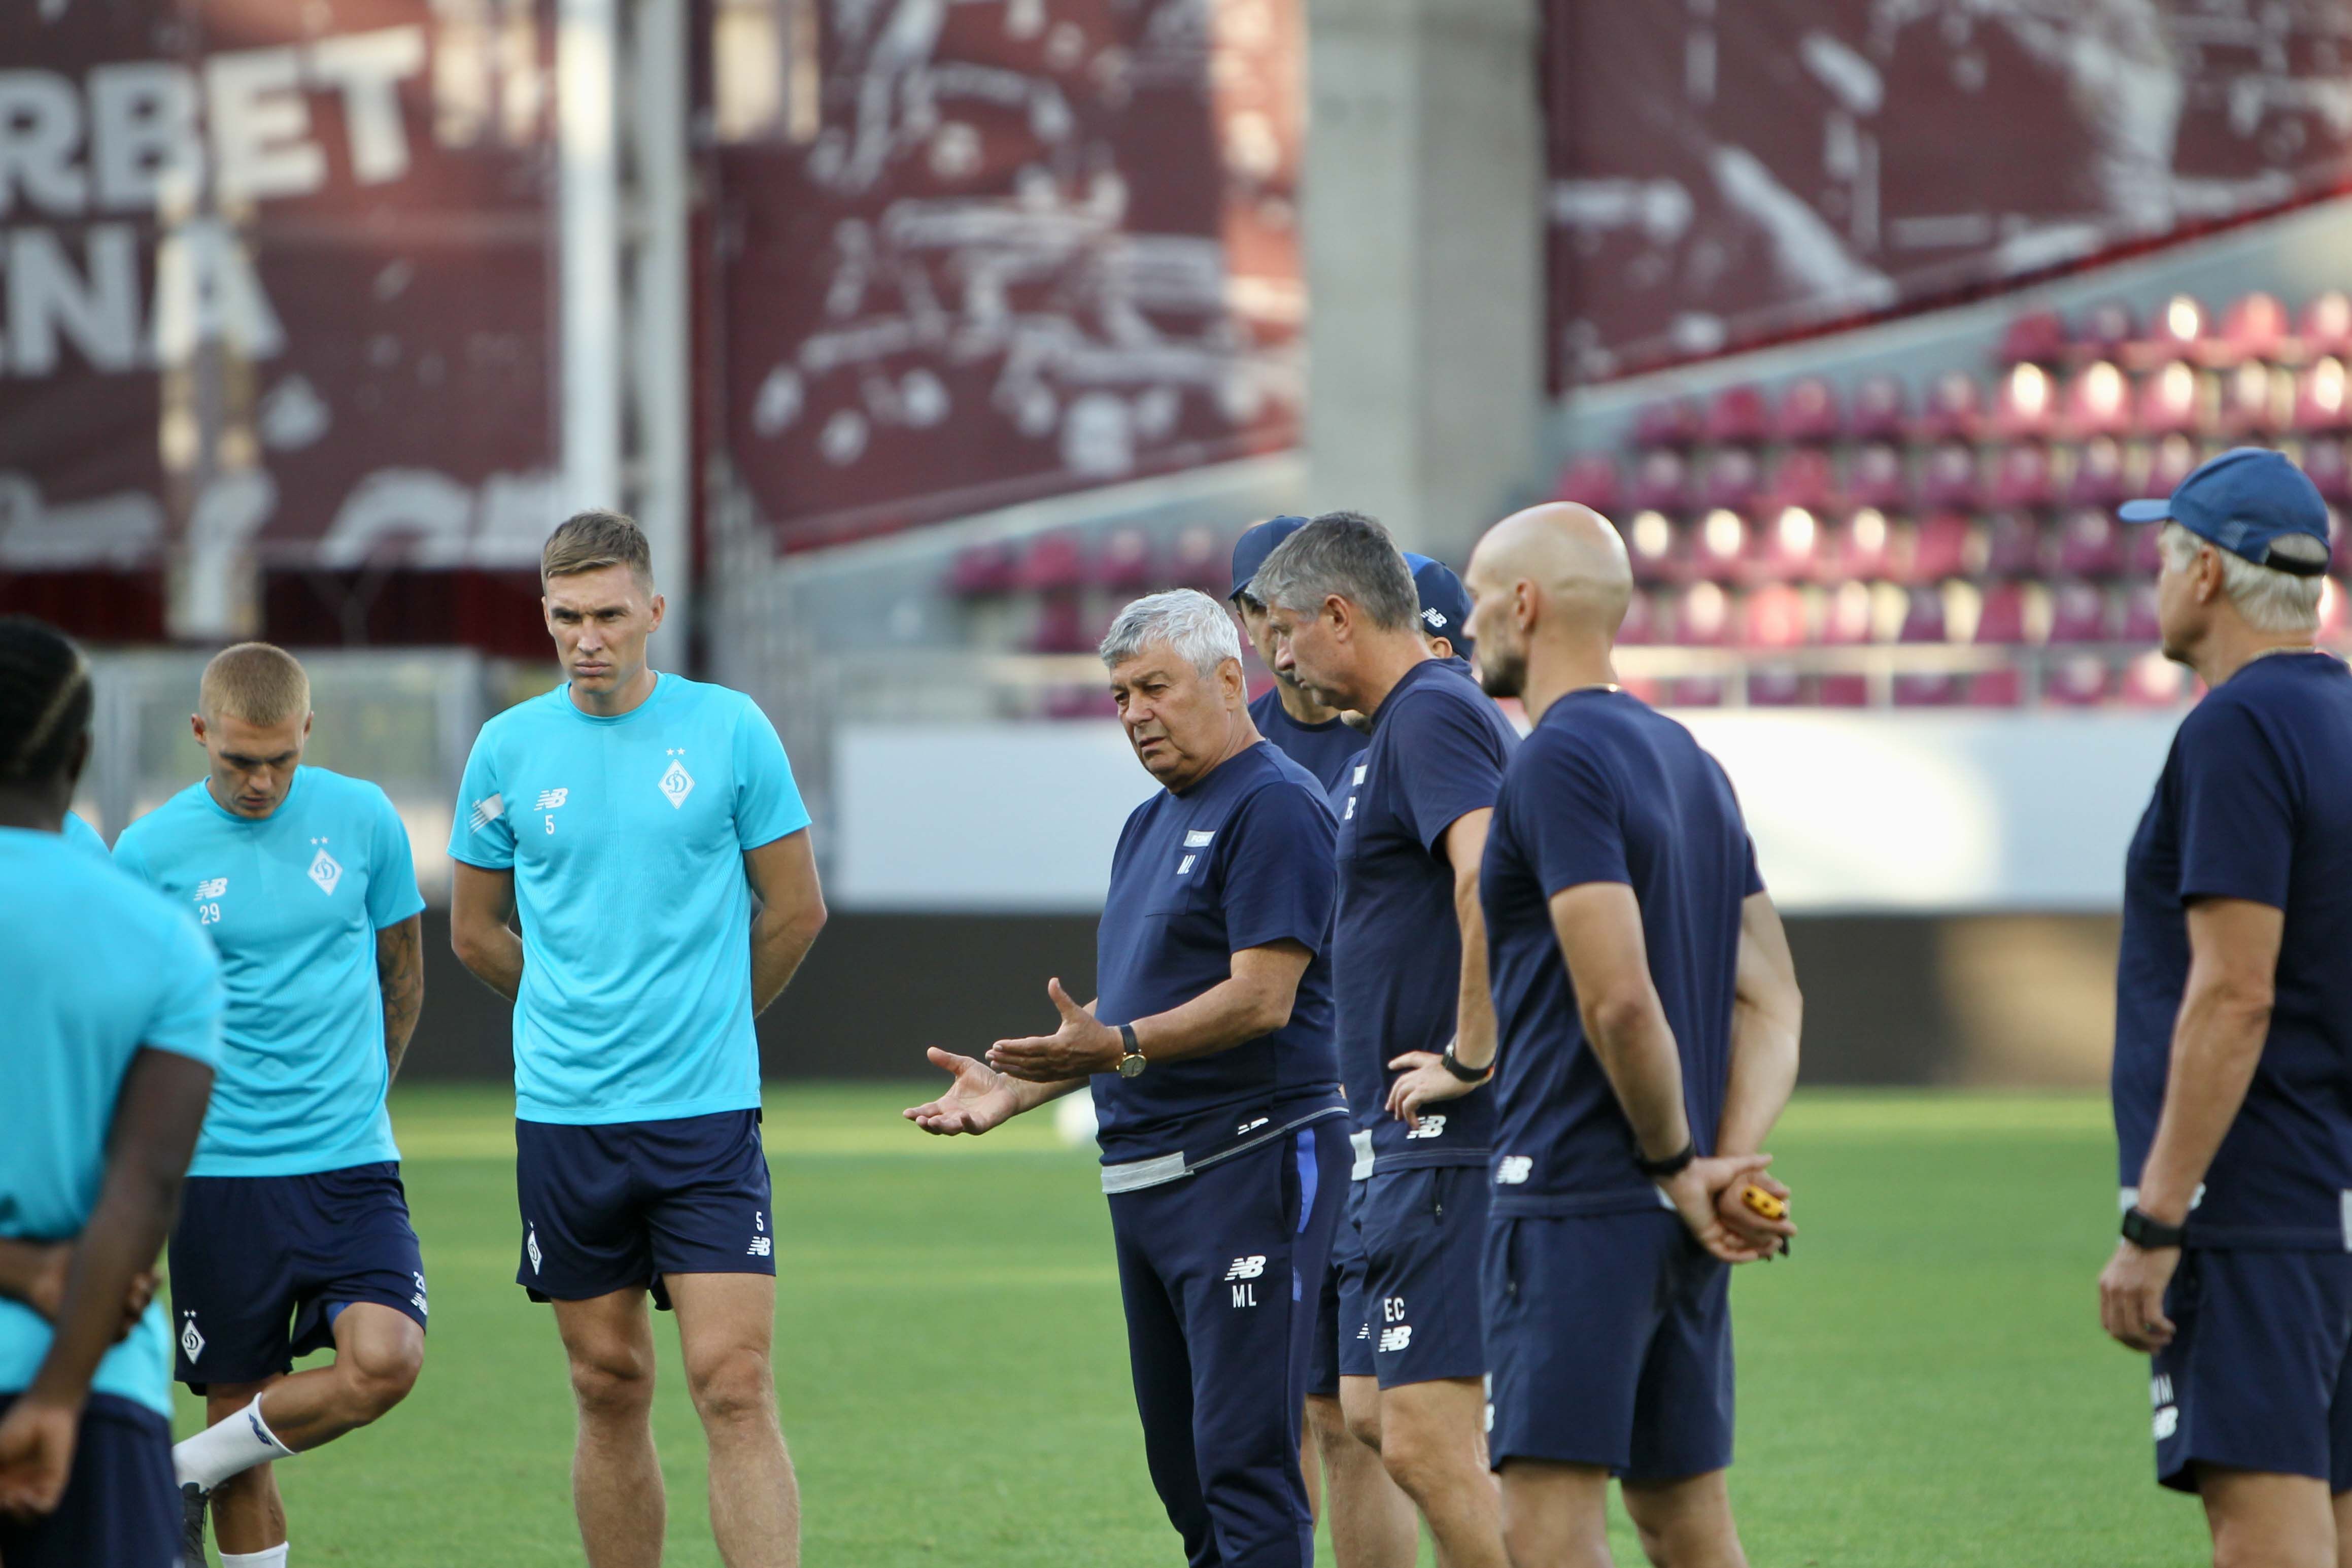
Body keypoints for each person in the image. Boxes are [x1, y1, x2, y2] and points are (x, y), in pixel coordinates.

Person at [905, 588, 1349, 1568]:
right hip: (1147, 1182)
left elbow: (1261, 998)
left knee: (1247, 1463)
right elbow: (1135, 1007)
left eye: (1154, 687)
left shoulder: (1274, 804)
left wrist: (1117, 1048)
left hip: (1251, 1165)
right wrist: (1019, 1085)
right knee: (1185, 1472)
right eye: (1119, 695)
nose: (1135, 712)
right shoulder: (1149, 824)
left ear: (1230, 680)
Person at [448, 510, 828, 1568]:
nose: (588, 638)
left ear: (654, 612)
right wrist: (571, 1008)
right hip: (567, 1119)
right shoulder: (506, 747)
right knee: (605, 1383)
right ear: (545, 617)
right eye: (567, 616)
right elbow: (475, 932)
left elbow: (795, 910)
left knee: (733, 1381)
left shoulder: (732, 728)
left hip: (703, 1115)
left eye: (610, 615)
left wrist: (706, 1019)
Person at [1458, 503, 1801, 1568]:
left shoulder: (1553, 761)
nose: (1464, 627)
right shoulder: (1689, 759)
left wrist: (1671, 1165)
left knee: (1546, 1524)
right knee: (1684, 1518)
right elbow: (1775, 999)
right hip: (1678, 1213)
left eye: (1474, 600)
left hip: (1575, 1195)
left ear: (1525, 604)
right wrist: (1718, 1163)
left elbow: (1615, 998)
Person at [109, 643, 429, 1568]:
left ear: (308, 733)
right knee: (243, 1439)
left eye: (281, 759)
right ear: (201, 733)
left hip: (351, 1164)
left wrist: (362, 1098)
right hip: (218, 1176)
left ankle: (171, 1471)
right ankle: (197, 1467)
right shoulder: (149, 851)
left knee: (387, 1362)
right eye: (238, 761)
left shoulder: (365, 819)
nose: (260, 781)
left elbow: (401, 974)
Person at [2095, 448, 2352, 1568]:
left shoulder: (2234, 730)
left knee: (2265, 1537)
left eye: (2161, 552)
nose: (2151, 576)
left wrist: (2157, 1221)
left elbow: (2233, 994)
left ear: (2204, 573)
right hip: (2335, 1198)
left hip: (2258, 1208)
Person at [1253, 513, 1519, 1568]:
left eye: (1279, 632)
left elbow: (1491, 874)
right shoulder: (1388, 731)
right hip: (1389, 1136)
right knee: (1366, 1414)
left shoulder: (1432, 714)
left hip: (1446, 1136)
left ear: (1336, 615)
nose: (1271, 659)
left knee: (1418, 1438)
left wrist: (1469, 1051)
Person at [0, 617, 224, 1568]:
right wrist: (53, 1393)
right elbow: (144, 1189)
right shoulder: (166, 940)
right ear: (82, 752)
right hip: (94, 1384)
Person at [1231, 516, 1370, 793]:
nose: (1277, 620)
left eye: (1293, 597)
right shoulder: (1236, 743)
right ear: (1244, 624)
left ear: (1336, 607)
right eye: (1259, 606)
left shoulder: (1390, 721)